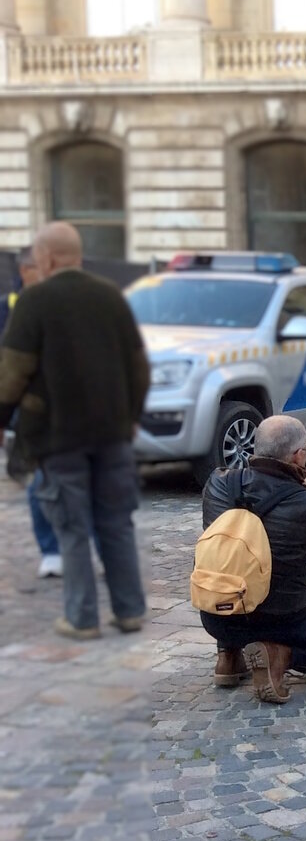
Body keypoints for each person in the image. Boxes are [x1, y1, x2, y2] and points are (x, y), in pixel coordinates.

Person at [0, 222, 151, 638]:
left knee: (71, 526)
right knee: (116, 521)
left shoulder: (35, 301)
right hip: (113, 433)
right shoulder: (110, 296)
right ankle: (129, 610)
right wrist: (131, 414)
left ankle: (82, 618)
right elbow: (138, 366)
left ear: (46, 258)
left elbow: (12, 372)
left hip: (58, 435)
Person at [199, 416, 306, 704]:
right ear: (299, 455)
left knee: (231, 566)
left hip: (218, 614)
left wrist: (305, 484)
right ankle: (277, 655)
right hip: (279, 619)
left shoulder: (219, 482)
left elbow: (257, 515)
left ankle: (228, 658)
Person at [2, 246, 62, 578]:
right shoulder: (12, 307)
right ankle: (52, 550)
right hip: (35, 413)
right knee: (40, 481)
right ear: (28, 271)